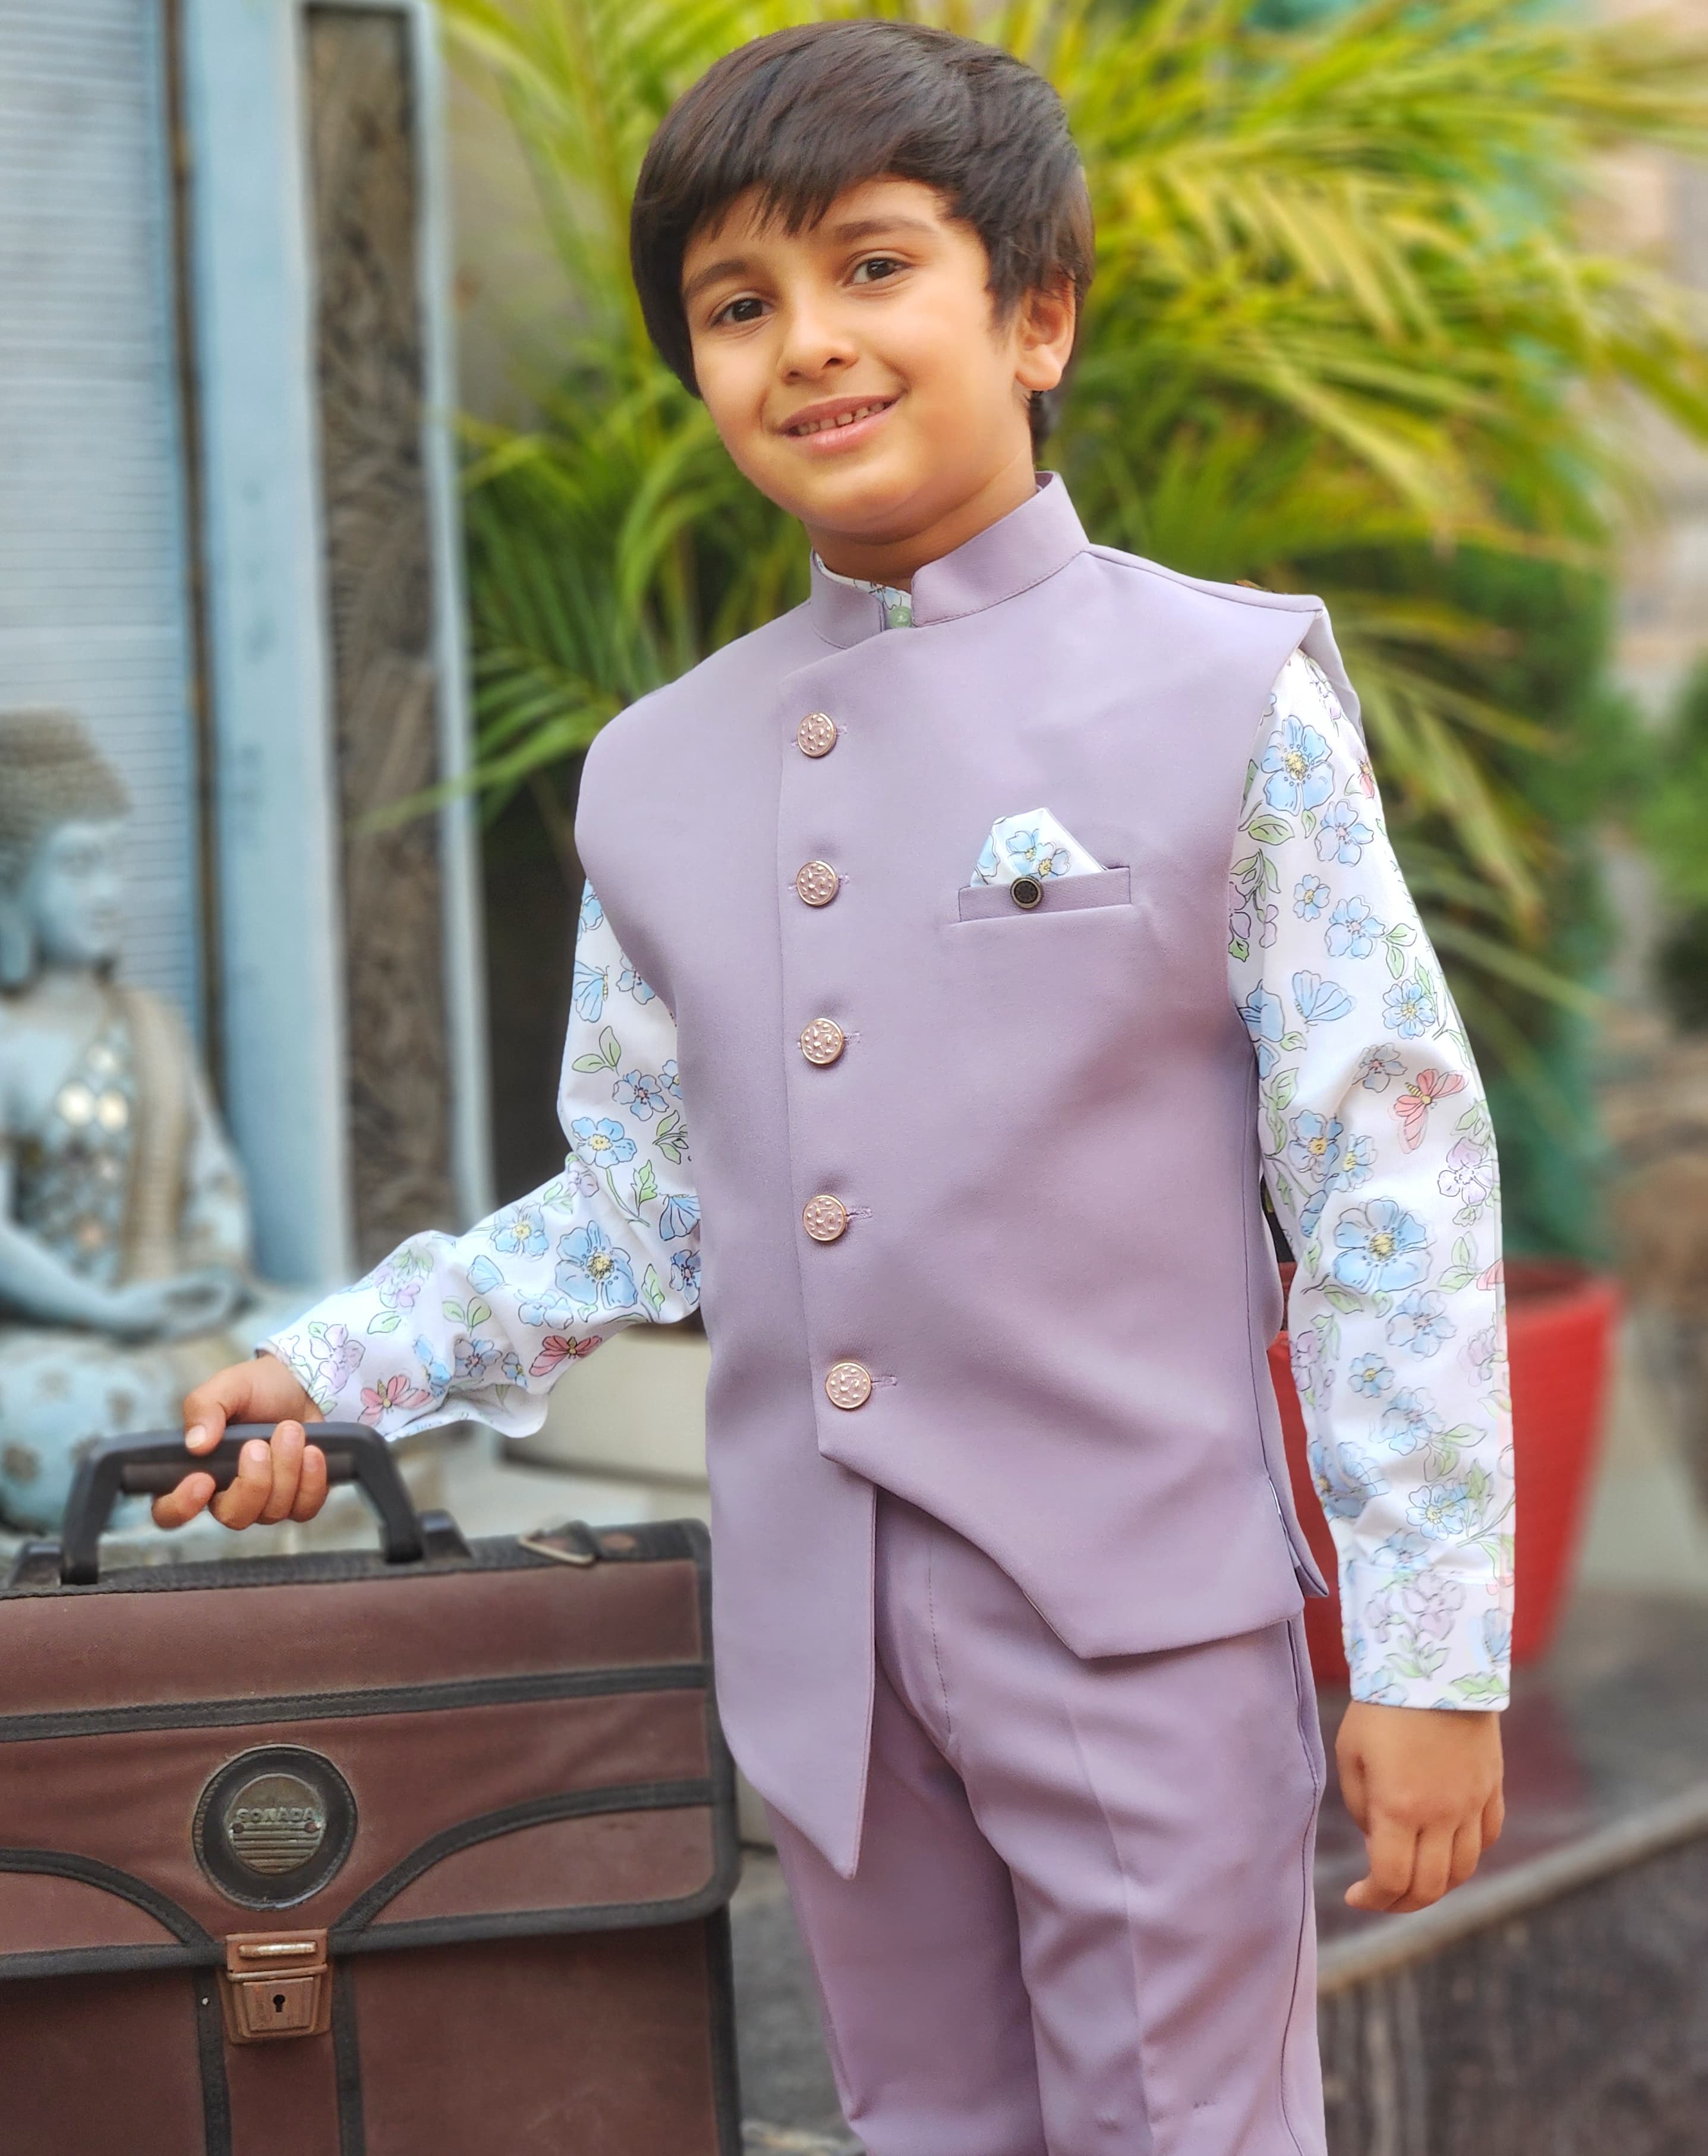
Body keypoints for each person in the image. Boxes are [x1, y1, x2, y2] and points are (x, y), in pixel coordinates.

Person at [156, 23, 1511, 2152]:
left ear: (1035, 312)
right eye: (736, 303)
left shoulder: (1226, 686)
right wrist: (331, 1374)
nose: (808, 344)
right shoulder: (652, 771)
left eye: (874, 267)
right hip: (825, 1664)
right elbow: (631, 1204)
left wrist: (1430, 1653)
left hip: (1138, 1631)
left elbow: (1387, 1181)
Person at [0, 709, 260, 1533]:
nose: (108, 892)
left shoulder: (151, 1022)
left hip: (178, 1311)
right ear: (8, 879)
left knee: (348, 1339)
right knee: (51, 1421)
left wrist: (212, 1269)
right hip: (50, 1340)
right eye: (78, 865)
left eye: (116, 861)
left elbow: (212, 1176)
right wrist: (106, 1312)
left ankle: (195, 1469)